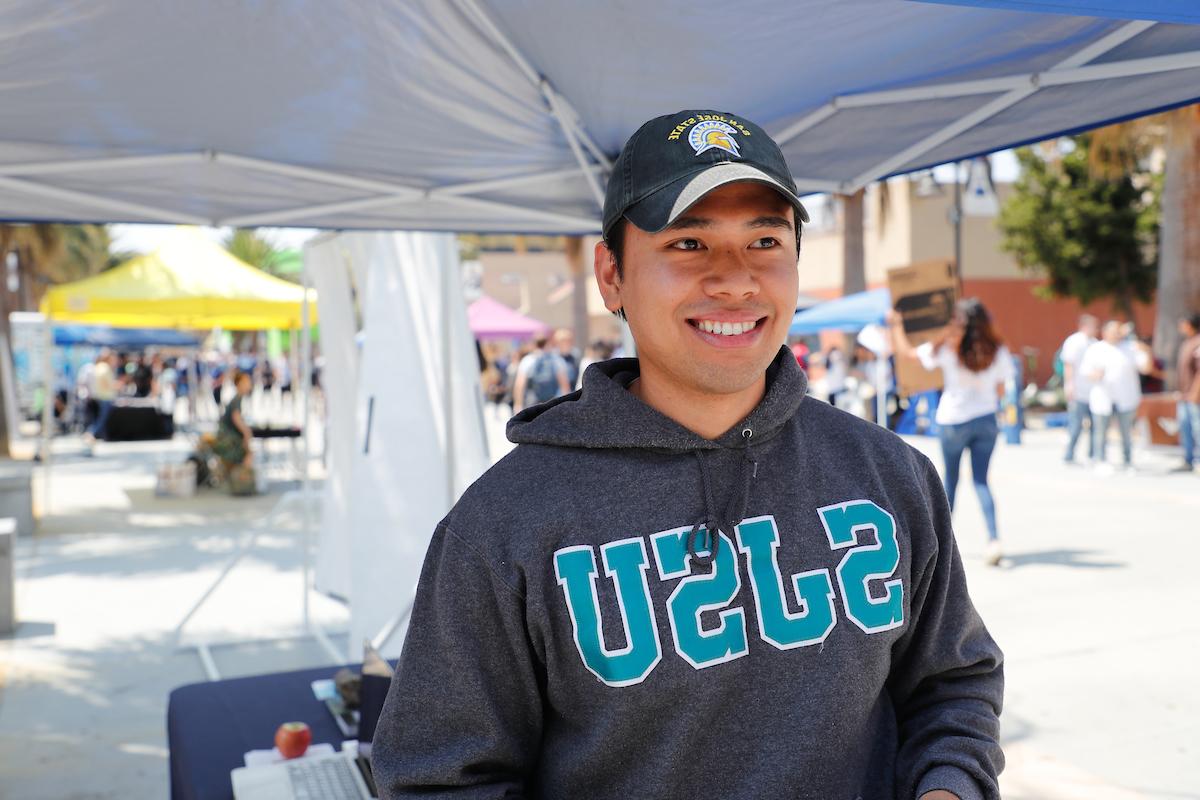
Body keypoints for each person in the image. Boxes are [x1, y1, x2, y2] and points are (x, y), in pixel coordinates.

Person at [374, 110, 1002, 800]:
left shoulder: (890, 475)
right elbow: (438, 780)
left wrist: (949, 789)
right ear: (611, 275)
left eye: (765, 239)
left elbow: (953, 685)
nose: (736, 281)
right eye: (689, 243)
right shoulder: (503, 523)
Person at [890, 300, 1013, 567]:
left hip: (954, 420)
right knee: (981, 481)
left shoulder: (947, 348)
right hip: (987, 419)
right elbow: (1001, 390)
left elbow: (908, 354)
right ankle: (994, 540)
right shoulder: (997, 350)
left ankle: (941, 546)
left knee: (950, 482)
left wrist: (896, 325)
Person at [1082, 321, 1150, 473]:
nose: (1117, 334)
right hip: (1103, 397)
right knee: (1100, 431)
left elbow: (1145, 368)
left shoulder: (1130, 348)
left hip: (1125, 398)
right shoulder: (1096, 349)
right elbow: (1085, 371)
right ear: (1105, 333)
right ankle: (1099, 459)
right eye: (1113, 331)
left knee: (1127, 432)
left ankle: (1127, 460)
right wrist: (1095, 375)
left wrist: (1146, 350)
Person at [1059, 314, 1099, 464]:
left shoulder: (1095, 343)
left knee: (1095, 426)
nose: (1096, 329)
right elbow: (1068, 364)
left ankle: (1093, 455)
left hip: (1093, 392)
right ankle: (1069, 454)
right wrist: (1069, 385)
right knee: (1075, 425)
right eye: (1094, 326)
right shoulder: (1074, 341)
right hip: (1078, 390)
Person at [512, 334, 571, 412]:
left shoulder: (527, 360)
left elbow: (519, 384)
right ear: (547, 344)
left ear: (534, 345)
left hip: (533, 403)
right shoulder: (556, 359)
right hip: (553, 402)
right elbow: (564, 384)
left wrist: (518, 404)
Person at [1172, 313, 1200, 472]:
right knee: (1185, 428)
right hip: (1184, 395)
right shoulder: (1187, 342)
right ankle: (1188, 460)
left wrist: (1195, 394)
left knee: (1198, 429)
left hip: (1195, 396)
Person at [212, 370, 254, 469]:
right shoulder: (237, 399)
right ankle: (240, 480)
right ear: (239, 384)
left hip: (227, 439)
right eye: (246, 382)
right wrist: (247, 433)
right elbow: (236, 418)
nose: (249, 384)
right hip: (228, 442)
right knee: (248, 454)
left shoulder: (237, 398)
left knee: (248, 452)